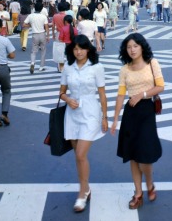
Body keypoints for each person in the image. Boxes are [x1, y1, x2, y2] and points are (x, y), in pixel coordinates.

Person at [111, 33, 164, 210]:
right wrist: (115, 119)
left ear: (142, 46)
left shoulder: (152, 63)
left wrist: (141, 95)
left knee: (145, 157)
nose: (132, 50)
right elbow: (120, 95)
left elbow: (160, 86)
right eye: (128, 47)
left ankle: (149, 183)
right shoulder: (124, 69)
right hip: (130, 114)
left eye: (135, 46)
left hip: (146, 112)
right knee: (133, 156)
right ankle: (138, 193)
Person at [59, 35, 108, 212]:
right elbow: (62, 92)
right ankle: (86, 187)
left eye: (82, 48)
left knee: (80, 154)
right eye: (75, 48)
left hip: (90, 113)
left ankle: (82, 193)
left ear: (88, 49)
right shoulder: (68, 68)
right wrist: (67, 99)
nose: (78, 51)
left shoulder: (96, 67)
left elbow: (102, 94)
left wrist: (105, 117)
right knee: (78, 156)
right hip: (72, 114)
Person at [23, 0, 50, 74]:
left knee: (34, 51)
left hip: (34, 34)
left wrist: (30, 25)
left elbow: (24, 25)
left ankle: (32, 63)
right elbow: (46, 27)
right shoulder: (43, 16)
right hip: (42, 34)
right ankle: (41, 67)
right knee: (43, 50)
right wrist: (48, 36)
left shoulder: (30, 16)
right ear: (42, 9)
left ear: (34, 8)